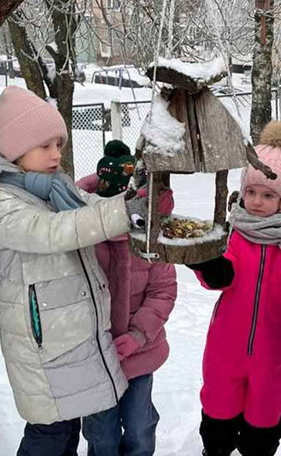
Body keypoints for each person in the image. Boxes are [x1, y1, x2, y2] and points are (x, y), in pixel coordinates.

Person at [0, 87, 147, 456]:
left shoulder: (54, 185)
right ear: (17, 150)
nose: (56, 154)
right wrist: (118, 215)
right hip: (41, 340)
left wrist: (131, 203)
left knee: (68, 426)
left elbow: (87, 207)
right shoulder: (0, 200)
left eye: (59, 145)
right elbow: (54, 231)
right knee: (49, 432)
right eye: (45, 146)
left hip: (73, 330)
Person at [188, 121, 281, 456]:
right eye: (251, 192)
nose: (257, 201)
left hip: (274, 352)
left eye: (268, 194)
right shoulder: (234, 233)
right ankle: (214, 449)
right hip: (225, 348)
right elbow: (223, 272)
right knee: (218, 411)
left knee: (263, 418)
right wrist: (210, 267)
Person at [76, 140, 178, 456]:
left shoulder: (150, 236)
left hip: (141, 351)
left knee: (138, 425)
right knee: (101, 433)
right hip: (96, 356)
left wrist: (137, 335)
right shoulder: (81, 233)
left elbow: (162, 291)